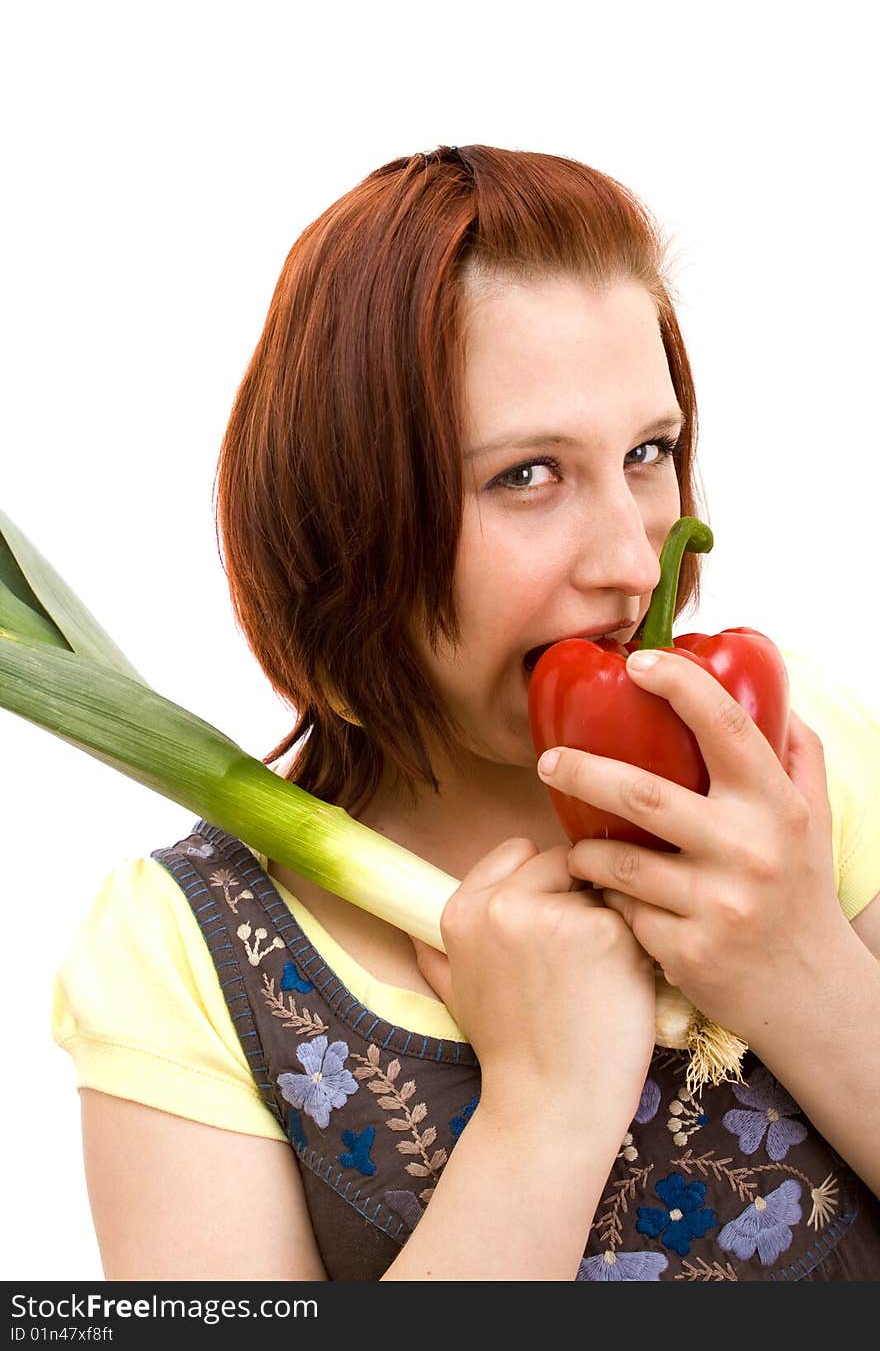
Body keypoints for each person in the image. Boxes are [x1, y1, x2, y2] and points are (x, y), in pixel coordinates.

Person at [52, 144, 880, 1281]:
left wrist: (803, 971)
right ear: (349, 515)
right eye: (526, 475)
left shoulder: (803, 763)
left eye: (647, 452)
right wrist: (544, 1111)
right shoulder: (182, 953)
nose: (633, 561)